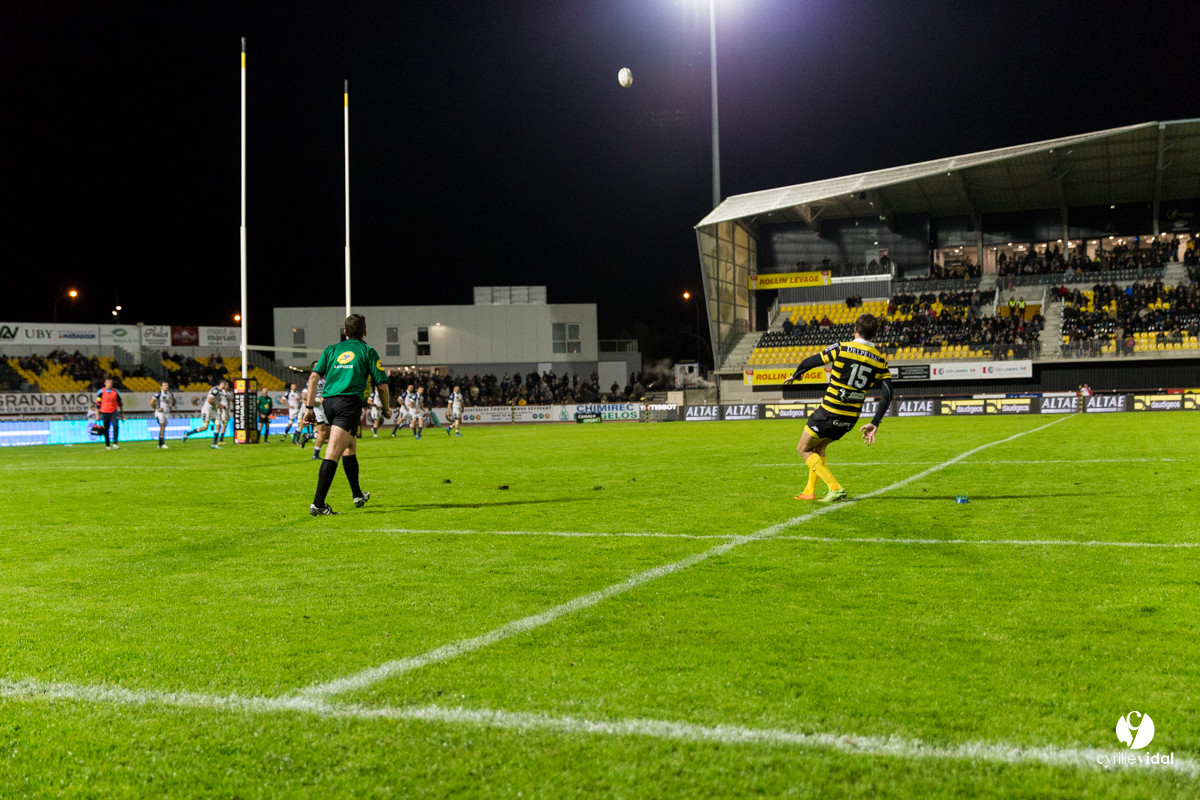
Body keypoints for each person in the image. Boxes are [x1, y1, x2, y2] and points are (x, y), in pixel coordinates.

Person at [783, 313, 893, 502]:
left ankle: (835, 487)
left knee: (803, 448)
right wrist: (875, 422)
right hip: (850, 418)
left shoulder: (842, 348)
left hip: (829, 411)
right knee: (819, 448)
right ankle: (809, 491)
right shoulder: (879, 360)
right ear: (874, 333)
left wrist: (797, 374)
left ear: (855, 329)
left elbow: (811, 361)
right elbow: (888, 394)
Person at [304, 314, 390, 516]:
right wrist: (386, 408)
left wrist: (309, 407)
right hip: (348, 404)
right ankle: (318, 504)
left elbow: (313, 376)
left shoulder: (331, 350)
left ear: (345, 332)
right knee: (333, 450)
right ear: (365, 332)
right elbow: (382, 385)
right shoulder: (367, 351)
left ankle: (357, 494)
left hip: (329, 403)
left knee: (350, 445)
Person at [184, 378, 229, 448]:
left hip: (213, 410)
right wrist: (217, 406)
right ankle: (188, 433)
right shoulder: (215, 390)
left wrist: (220, 406)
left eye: (225, 384)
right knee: (205, 427)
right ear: (219, 384)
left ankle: (214, 444)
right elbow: (209, 400)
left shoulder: (220, 391)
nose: (224, 386)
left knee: (218, 425)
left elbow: (216, 401)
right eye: (223, 384)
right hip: (207, 410)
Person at [95, 377, 123, 450]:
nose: (110, 384)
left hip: (114, 412)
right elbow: (98, 404)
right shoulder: (101, 392)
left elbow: (120, 403)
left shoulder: (115, 391)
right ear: (105, 383)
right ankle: (107, 444)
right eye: (108, 382)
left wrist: (122, 414)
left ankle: (115, 443)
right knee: (106, 429)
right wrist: (97, 415)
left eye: (111, 382)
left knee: (116, 426)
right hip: (104, 412)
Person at [150, 380, 175, 449]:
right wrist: (157, 409)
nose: (166, 387)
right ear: (161, 387)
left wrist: (171, 406)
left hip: (166, 413)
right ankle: (162, 443)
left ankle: (160, 444)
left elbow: (174, 400)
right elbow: (151, 402)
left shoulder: (170, 394)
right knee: (163, 426)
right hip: (160, 413)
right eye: (164, 385)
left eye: (167, 385)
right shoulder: (158, 394)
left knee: (163, 427)